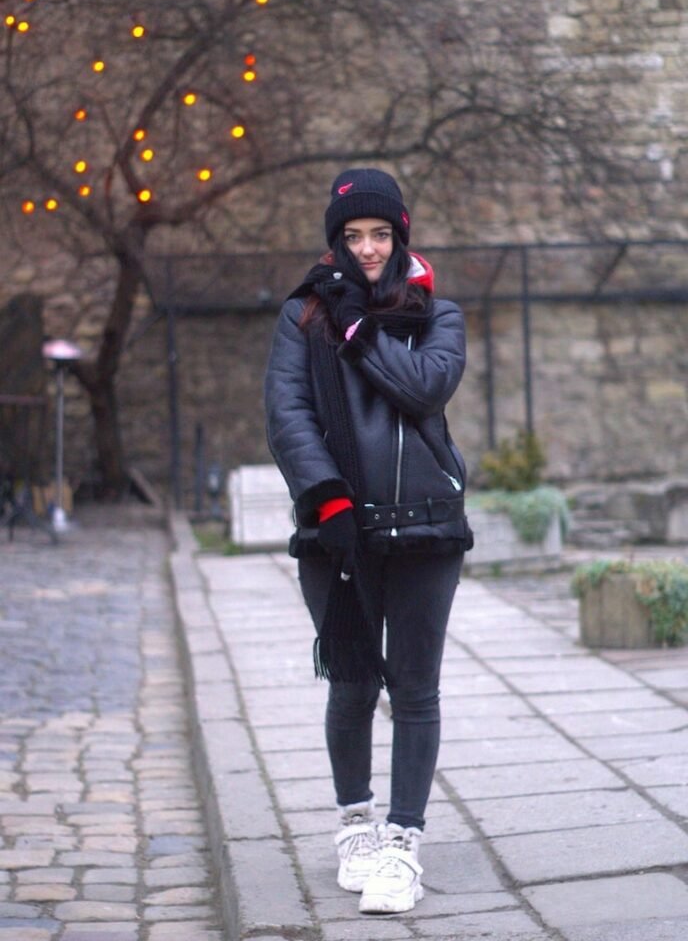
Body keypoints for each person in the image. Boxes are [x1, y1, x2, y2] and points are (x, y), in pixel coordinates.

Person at [264, 168, 472, 915]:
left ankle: (402, 840)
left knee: (415, 690)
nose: (368, 248)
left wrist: (359, 329)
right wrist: (328, 501)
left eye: (380, 234)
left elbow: (422, 389)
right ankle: (355, 824)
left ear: (401, 235)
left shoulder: (440, 315)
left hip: (425, 528)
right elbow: (287, 415)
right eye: (352, 237)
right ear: (336, 242)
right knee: (353, 685)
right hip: (338, 531)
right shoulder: (302, 316)